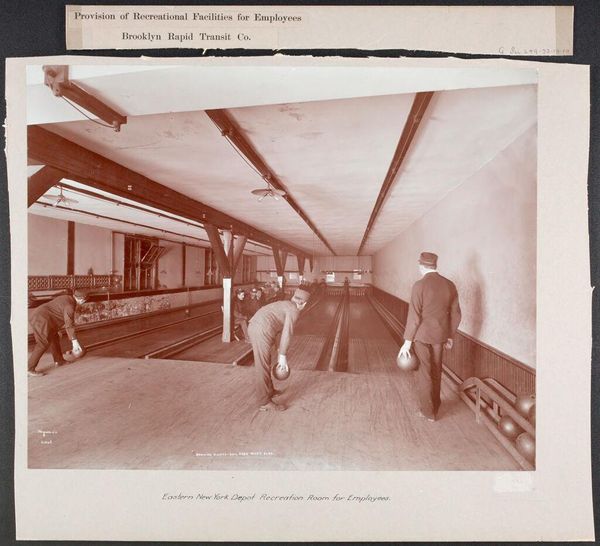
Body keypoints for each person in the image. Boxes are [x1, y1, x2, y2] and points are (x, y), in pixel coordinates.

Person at [398, 252, 461, 422]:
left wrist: (407, 342)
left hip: (422, 336)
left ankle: (428, 412)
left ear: (421, 266)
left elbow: (414, 317)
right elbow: (456, 314)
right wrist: (450, 336)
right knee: (436, 369)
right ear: (435, 265)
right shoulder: (449, 285)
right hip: (440, 336)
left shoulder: (419, 286)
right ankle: (436, 406)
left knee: (424, 372)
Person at [248, 288, 310, 412]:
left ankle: (270, 391)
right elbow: (287, 333)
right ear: (304, 304)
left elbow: (279, 330)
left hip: (259, 327)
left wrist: (278, 349)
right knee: (262, 366)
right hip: (261, 330)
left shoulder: (286, 304)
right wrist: (282, 356)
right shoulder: (294, 310)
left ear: (293, 298)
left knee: (266, 363)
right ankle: (264, 402)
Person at [28, 289, 88, 376]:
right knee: (43, 343)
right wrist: (75, 342)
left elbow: (55, 311)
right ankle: (29, 368)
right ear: (82, 300)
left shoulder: (67, 297)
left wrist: (57, 329)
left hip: (43, 317)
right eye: (85, 301)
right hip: (40, 319)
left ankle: (59, 360)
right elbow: (69, 325)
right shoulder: (70, 306)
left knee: (54, 337)